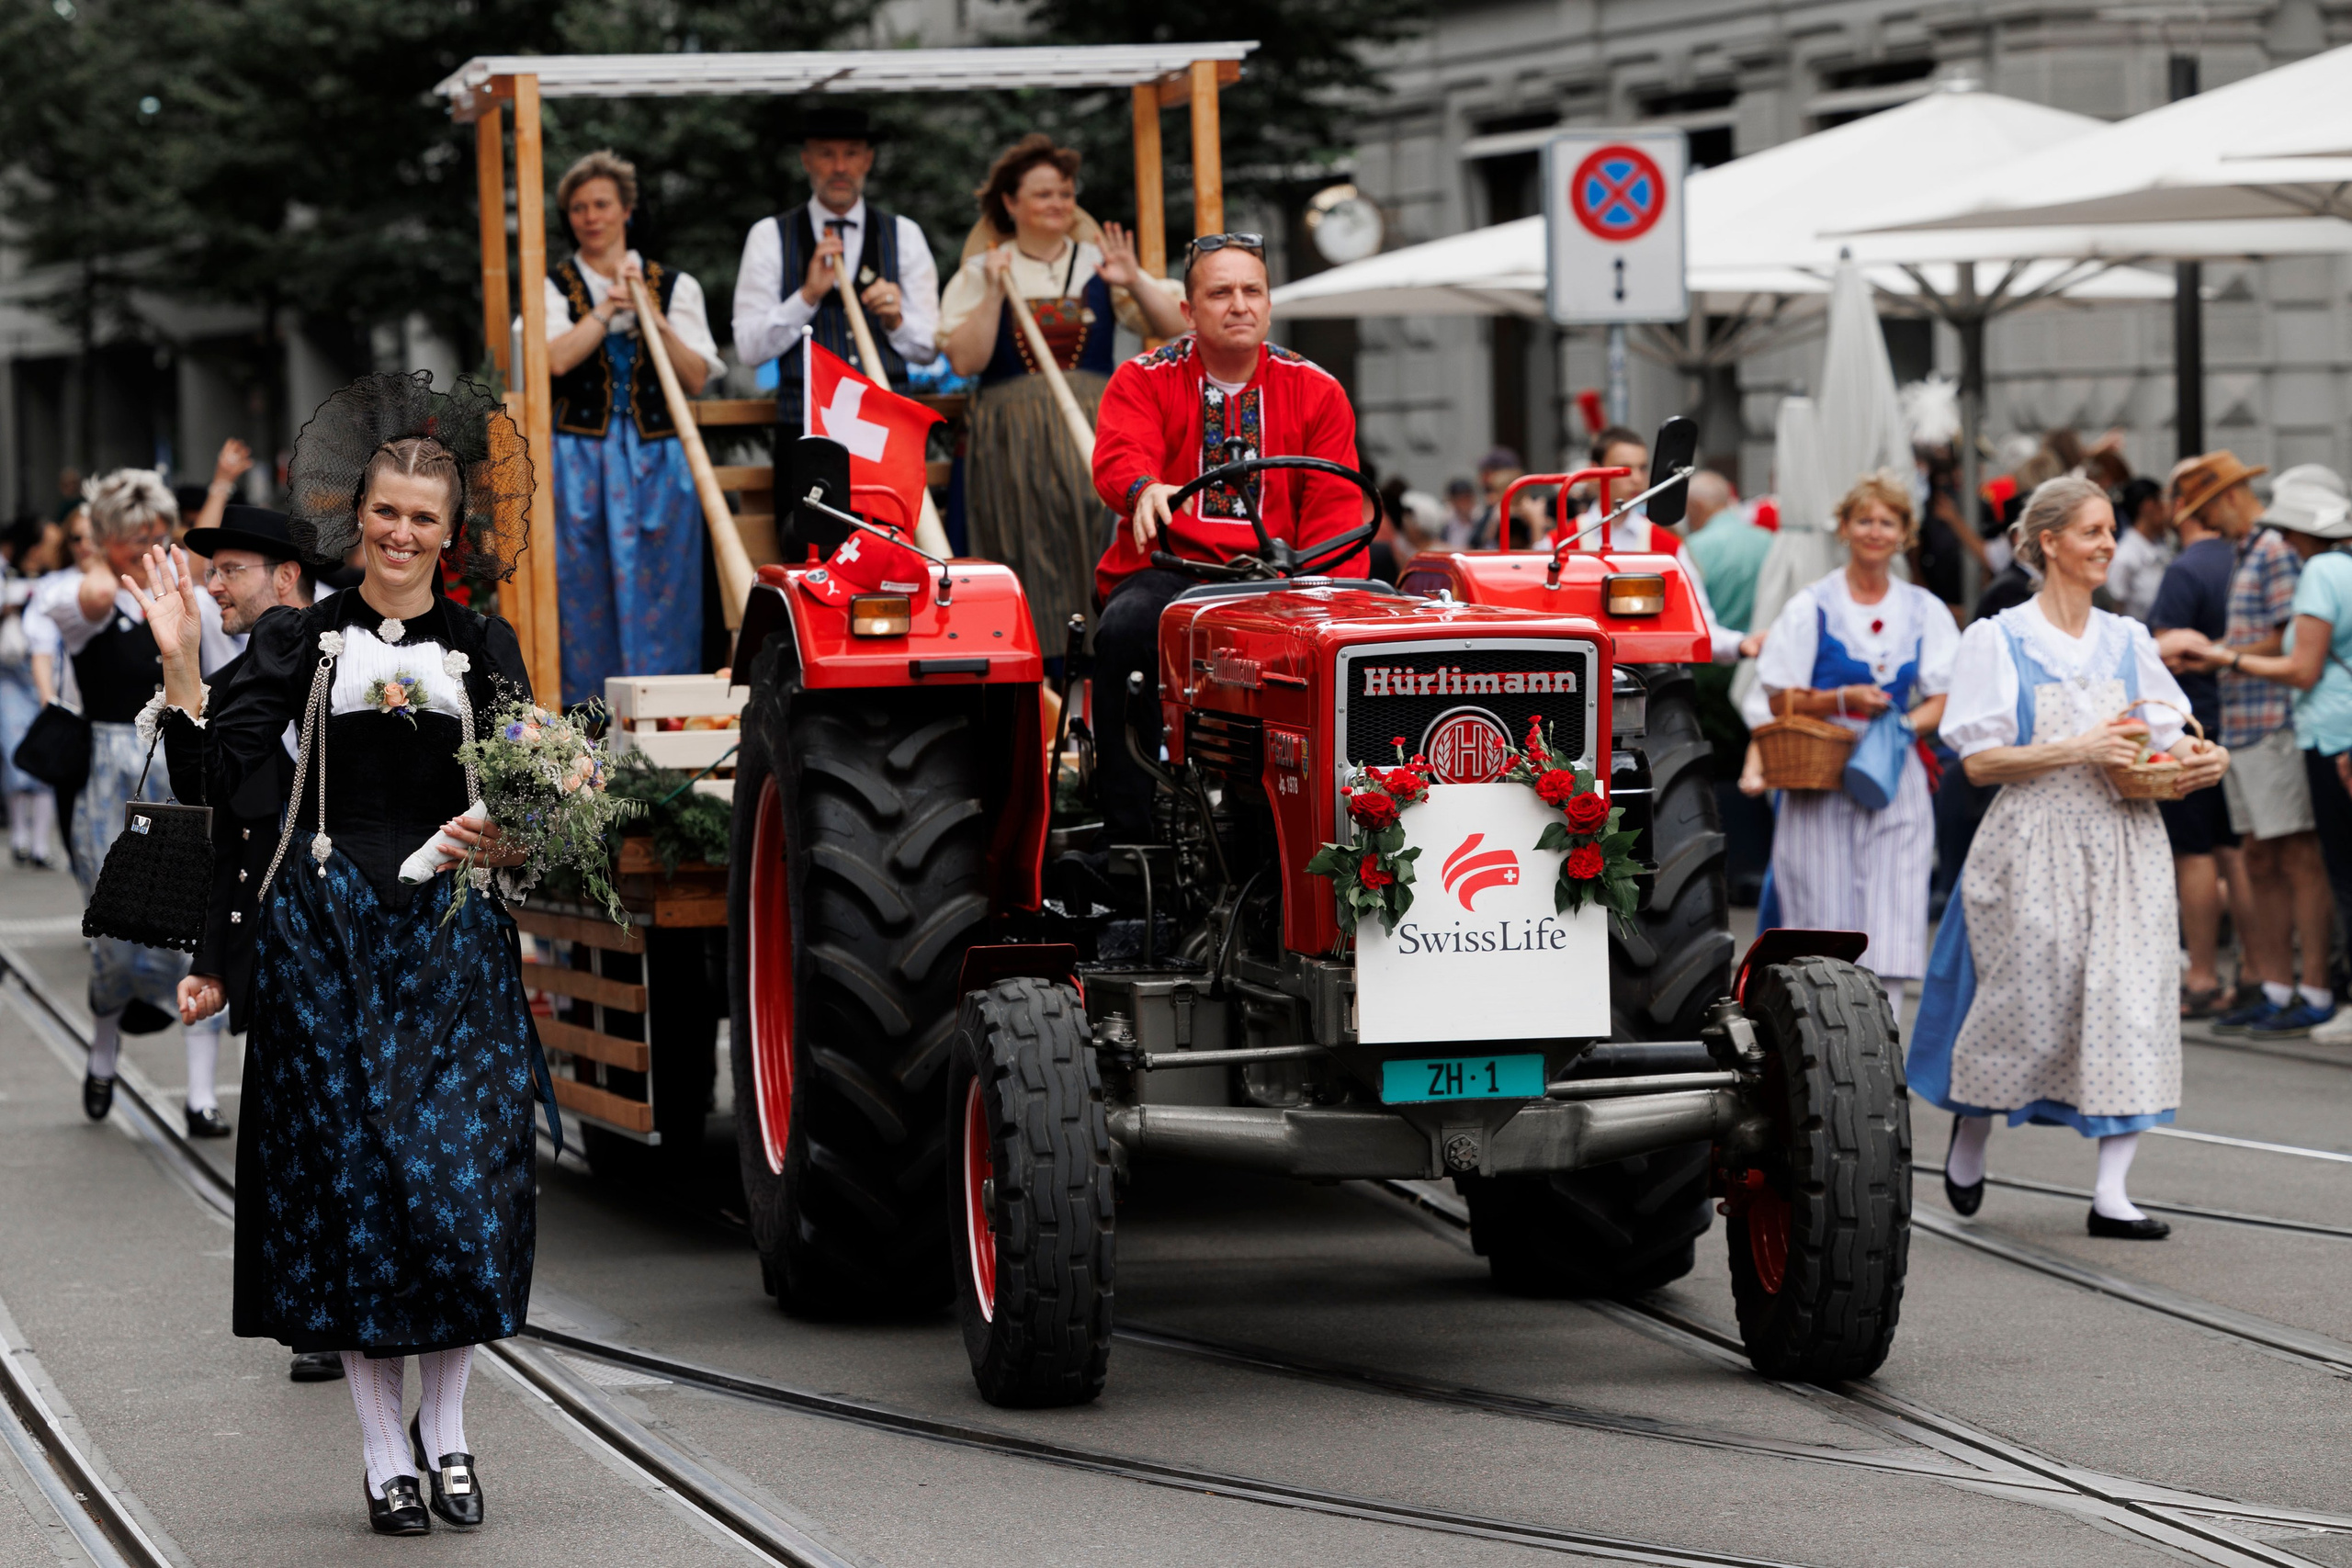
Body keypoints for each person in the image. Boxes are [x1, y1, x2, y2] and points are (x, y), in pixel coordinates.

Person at [141, 371, 551, 1535]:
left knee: (460, 1196)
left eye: (424, 518)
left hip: (453, 943)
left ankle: (452, 1434)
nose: (402, 534)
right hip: (324, 948)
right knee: (357, 1193)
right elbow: (221, 779)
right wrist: (180, 661)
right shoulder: (298, 638)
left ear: (449, 532)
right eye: (385, 513)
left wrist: (510, 828)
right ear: (356, 518)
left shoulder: (483, 642)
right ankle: (384, 1456)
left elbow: (539, 796)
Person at [1912, 477, 2230, 1241]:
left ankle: (2112, 1193)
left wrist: (2197, 754)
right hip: (2033, 840)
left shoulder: (2128, 639)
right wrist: (2076, 747)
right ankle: (1975, 1127)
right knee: (2024, 1004)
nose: (2107, 544)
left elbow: (2162, 730)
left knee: (2132, 1002)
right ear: (2048, 541)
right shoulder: (1998, 638)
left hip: (2124, 839)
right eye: (2092, 530)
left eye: (2112, 531)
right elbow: (1979, 763)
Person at [1089, 234, 1363, 845]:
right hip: (1168, 569)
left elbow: (1335, 511)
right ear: (1188, 312)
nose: (1238, 304)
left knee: (1337, 653)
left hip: (1278, 581)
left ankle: (1307, 838)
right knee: (1128, 627)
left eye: (1251, 291)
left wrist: (1327, 594)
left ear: (1268, 305)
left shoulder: (1317, 389)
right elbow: (1118, 454)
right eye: (1220, 292)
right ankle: (1132, 844)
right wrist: (1143, 488)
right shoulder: (1143, 378)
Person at [153, 503, 342, 1382]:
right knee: (297, 1131)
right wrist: (212, 962)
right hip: (280, 943)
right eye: (212, 570)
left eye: (229, 569)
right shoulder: (232, 688)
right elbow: (221, 826)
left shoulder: (365, 653)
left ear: (289, 579)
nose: (213, 586)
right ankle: (318, 1313)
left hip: (374, 930)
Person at [940, 135, 1185, 649]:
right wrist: (991, 291)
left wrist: (1133, 279)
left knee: (1096, 539)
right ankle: (1035, 669)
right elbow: (965, 360)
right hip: (1012, 439)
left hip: (1095, 424)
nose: (1058, 204)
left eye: (1065, 193)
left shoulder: (1098, 262)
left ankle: (1106, 656)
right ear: (1010, 202)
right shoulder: (983, 269)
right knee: (1022, 544)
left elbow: (1173, 325)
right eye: (1043, 194)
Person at [1756, 476, 1958, 1005]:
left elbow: (1945, 694)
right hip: (1819, 769)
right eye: (1863, 520)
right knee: (1819, 907)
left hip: (1893, 770)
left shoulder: (1923, 609)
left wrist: (1902, 729)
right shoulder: (1812, 604)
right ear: (1844, 529)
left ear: (1904, 534)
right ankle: (1818, 1029)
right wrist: (1842, 700)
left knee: (1895, 901)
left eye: (1887, 522)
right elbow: (1780, 698)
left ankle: (1882, 1039)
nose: (1874, 531)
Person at [2169, 466, 2352, 1043]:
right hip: (2256, 721)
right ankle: (2278, 987)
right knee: (2260, 856)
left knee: (2296, 856)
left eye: (2205, 505)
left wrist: (2222, 656)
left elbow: (2294, 642)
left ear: (2228, 497)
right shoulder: (2254, 550)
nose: (2201, 520)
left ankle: (2313, 987)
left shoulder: (2281, 554)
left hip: (2277, 720)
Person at [539, 150, 728, 707]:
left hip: (657, 458)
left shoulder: (675, 286)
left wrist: (652, 314)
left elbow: (695, 376)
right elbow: (553, 361)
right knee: (582, 587)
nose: (590, 217)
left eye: (601, 204)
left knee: (665, 586)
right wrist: (603, 313)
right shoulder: (555, 288)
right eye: (578, 208)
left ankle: (667, 719)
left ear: (626, 210)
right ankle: (586, 732)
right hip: (580, 458)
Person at [46, 471, 200, 1122]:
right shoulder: (88, 596)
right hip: (108, 771)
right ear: (105, 538)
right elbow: (83, 603)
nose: (149, 544)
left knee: (191, 921)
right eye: (133, 536)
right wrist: (102, 575)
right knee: (111, 925)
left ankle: (199, 1095)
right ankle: (103, 1053)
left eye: (157, 533)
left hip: (178, 759)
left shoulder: (189, 591)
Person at [730, 105, 940, 434]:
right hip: (806, 427)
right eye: (827, 154)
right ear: (806, 161)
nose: (840, 167)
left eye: (852, 154)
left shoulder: (905, 234)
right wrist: (807, 297)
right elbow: (749, 349)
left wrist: (895, 321)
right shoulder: (768, 235)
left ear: (868, 161)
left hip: (886, 425)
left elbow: (930, 348)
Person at [2147, 461, 2244, 1018]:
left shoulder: (2184, 571)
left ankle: (2202, 975)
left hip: (2193, 728)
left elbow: (2162, 657)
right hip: (2239, 725)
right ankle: (2254, 974)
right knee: (2240, 853)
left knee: (2195, 854)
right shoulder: (2244, 557)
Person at [1553, 426, 1742, 663]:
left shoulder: (1667, 547)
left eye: (1642, 468)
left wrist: (1741, 644)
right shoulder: (1557, 543)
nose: (1637, 478)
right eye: (1625, 468)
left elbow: (1700, 623)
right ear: (1594, 472)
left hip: (1649, 675)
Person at [2, 515, 63, 867]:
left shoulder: (55, 581)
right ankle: (21, 837)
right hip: (11, 675)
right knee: (15, 753)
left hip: (44, 673)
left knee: (46, 755)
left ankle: (39, 842)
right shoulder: (6, 572)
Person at [1684, 471, 1773, 640]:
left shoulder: (1694, 547)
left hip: (1714, 652)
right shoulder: (1767, 539)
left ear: (1697, 506)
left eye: (1687, 508)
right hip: (1762, 644)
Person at [2108, 475, 2174, 622]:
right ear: (2149, 505)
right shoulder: (2125, 556)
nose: (2167, 510)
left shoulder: (2161, 545)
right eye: (2162, 502)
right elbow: (2115, 608)